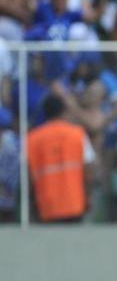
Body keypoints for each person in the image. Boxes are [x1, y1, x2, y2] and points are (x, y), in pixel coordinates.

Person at [26, 94, 94, 223]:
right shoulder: (78, 134)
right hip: (74, 202)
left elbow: (29, 176)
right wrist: (88, 196)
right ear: (63, 111)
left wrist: (32, 203)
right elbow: (88, 169)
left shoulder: (32, 139)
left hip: (46, 204)